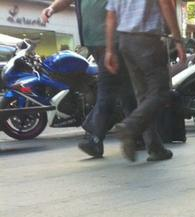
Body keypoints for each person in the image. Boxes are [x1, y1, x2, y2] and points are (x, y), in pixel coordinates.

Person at [40, 0, 137, 159]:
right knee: (124, 90)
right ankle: (140, 136)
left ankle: (95, 138)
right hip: (97, 42)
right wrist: (51, 8)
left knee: (111, 91)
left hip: (111, 42)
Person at [104, 0, 186, 162]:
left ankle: (155, 148)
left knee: (142, 96)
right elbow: (165, 4)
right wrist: (177, 40)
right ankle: (130, 127)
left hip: (125, 41)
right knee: (161, 92)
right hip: (149, 40)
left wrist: (110, 50)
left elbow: (111, 16)